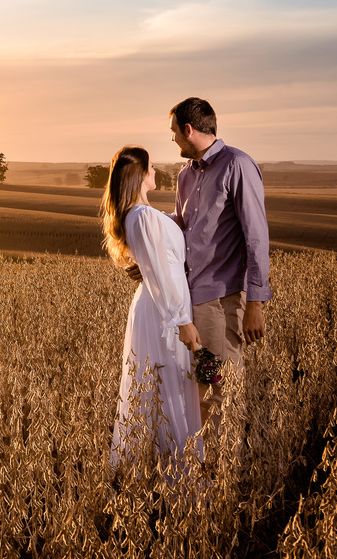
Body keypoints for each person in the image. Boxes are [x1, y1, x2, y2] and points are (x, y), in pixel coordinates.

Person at [169, 97, 272, 432]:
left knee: (219, 392)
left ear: (189, 130)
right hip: (191, 302)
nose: (172, 140)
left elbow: (256, 236)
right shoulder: (185, 176)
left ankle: (222, 475)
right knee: (201, 389)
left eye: (174, 132)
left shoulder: (237, 165)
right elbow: (181, 231)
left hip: (222, 301)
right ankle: (205, 473)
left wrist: (255, 302)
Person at [103, 146, 204, 468]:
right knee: (172, 386)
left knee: (176, 384)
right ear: (140, 174)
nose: (156, 172)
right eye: (151, 168)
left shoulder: (146, 215)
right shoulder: (142, 217)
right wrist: (182, 321)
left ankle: (168, 469)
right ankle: (181, 477)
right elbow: (161, 274)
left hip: (166, 306)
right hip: (165, 311)